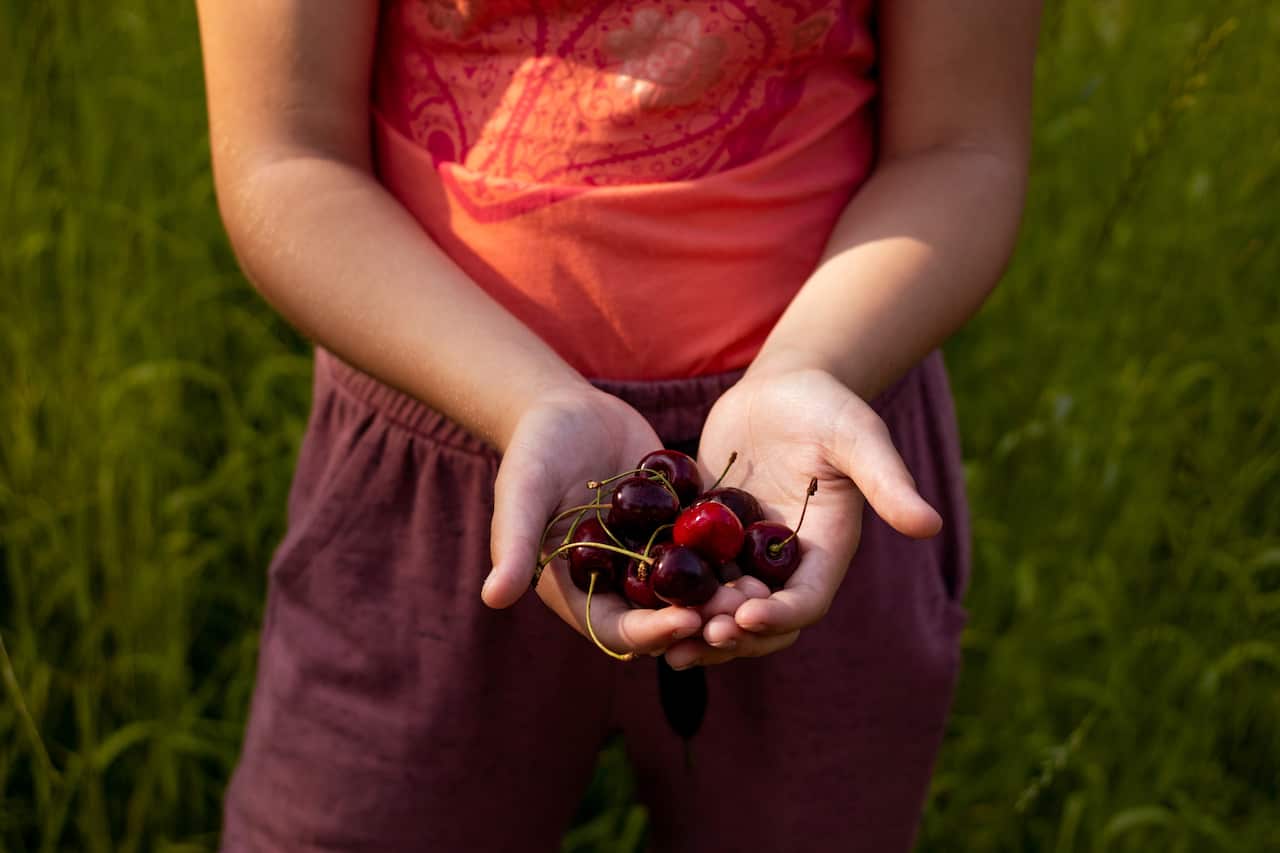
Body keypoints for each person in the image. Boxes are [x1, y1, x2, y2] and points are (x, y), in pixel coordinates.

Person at [195, 1, 1039, 849]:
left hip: (813, 471)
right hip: (436, 454)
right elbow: (285, 155)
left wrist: (814, 367)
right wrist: (524, 397)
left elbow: (959, 146)